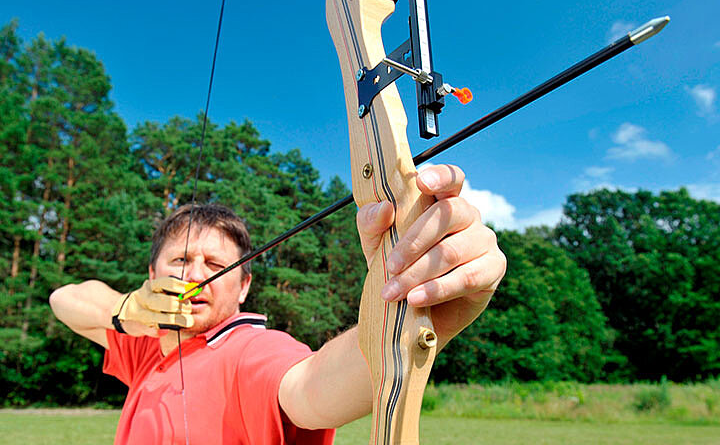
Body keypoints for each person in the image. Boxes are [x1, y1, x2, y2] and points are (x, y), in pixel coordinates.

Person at [49, 164, 506, 444]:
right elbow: (64, 299)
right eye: (181, 259)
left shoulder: (250, 350)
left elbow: (312, 386)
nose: (194, 275)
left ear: (243, 288)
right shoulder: (146, 347)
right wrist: (128, 310)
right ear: (152, 275)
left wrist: (412, 317)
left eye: (215, 264)